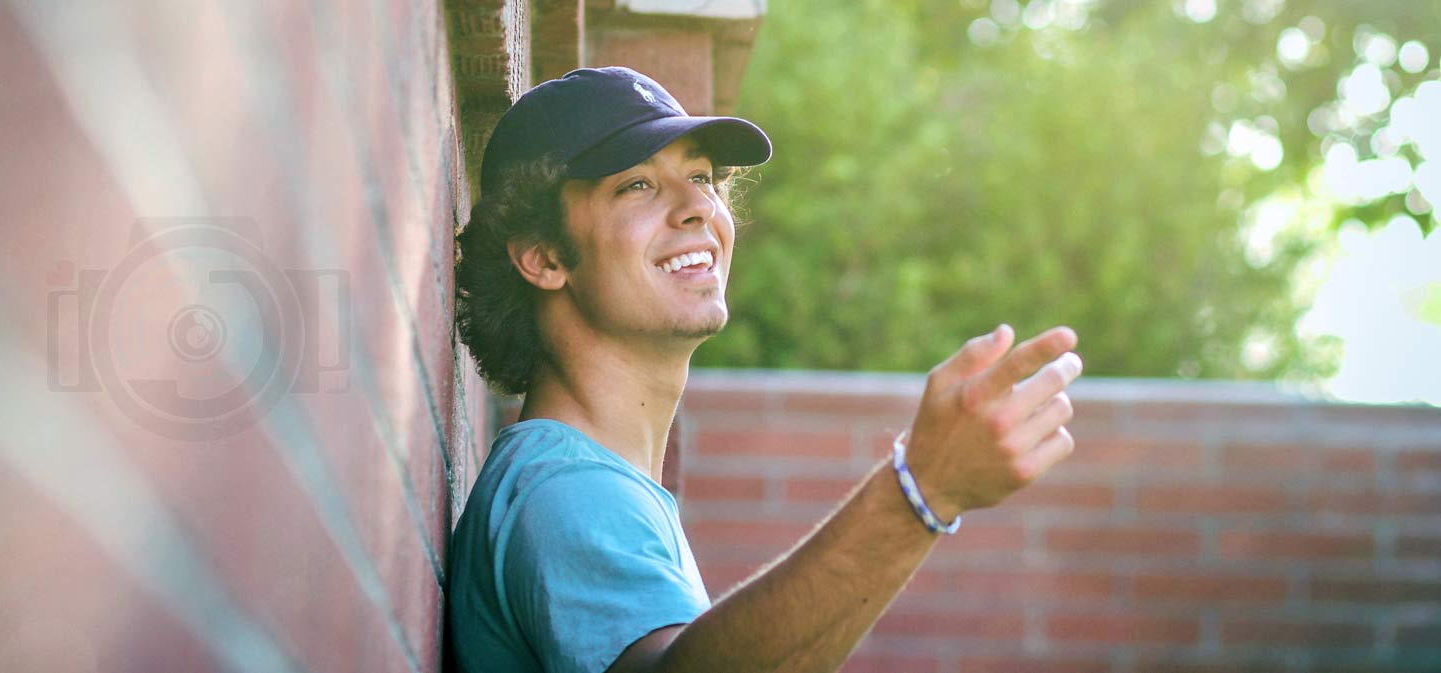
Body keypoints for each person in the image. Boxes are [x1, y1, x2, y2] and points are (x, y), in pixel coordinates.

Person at [447, 66, 1083, 673]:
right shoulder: (569, 491)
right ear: (544, 256)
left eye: (701, 176)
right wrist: (921, 490)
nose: (697, 206)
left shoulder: (596, 482)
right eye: (636, 184)